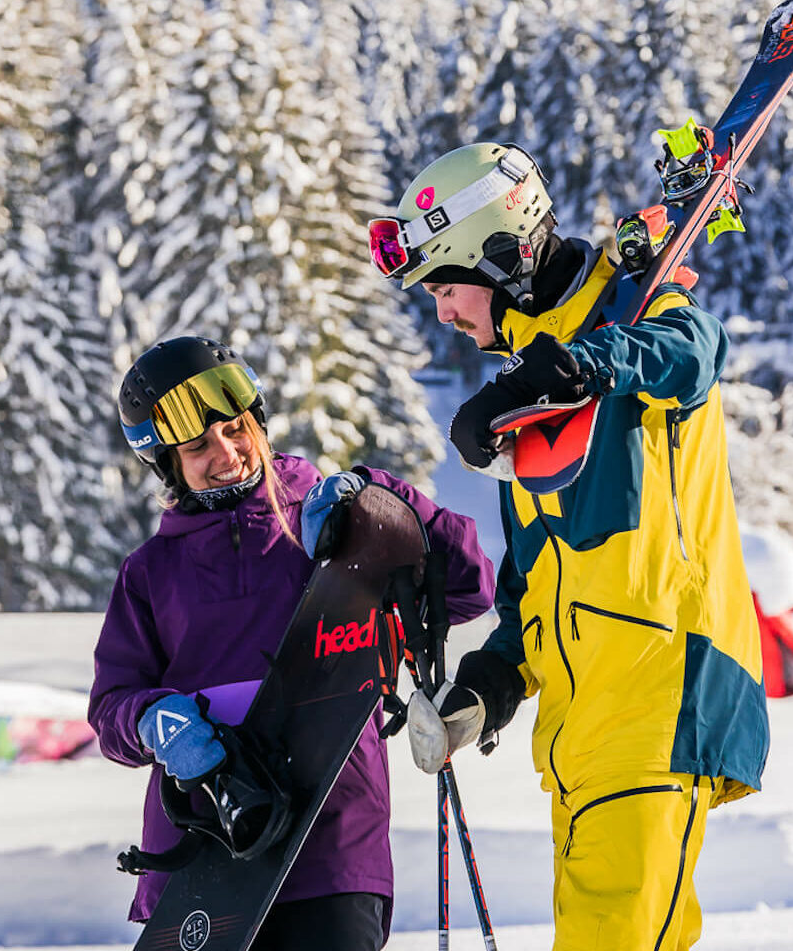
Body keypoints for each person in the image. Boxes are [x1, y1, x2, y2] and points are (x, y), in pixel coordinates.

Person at [372, 142, 769, 951]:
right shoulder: (536, 388)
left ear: (497, 257)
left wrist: (571, 369)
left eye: (445, 288)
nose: (443, 313)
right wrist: (487, 685)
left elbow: (697, 353)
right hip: (579, 737)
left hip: (662, 700)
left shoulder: (635, 318)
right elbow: (540, 582)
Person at [88, 335, 495, 951]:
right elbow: (111, 705)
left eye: (235, 429)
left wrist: (381, 500)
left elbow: (468, 586)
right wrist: (150, 721)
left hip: (331, 843)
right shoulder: (150, 572)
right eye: (197, 447)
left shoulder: (334, 526)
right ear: (168, 464)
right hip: (205, 850)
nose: (225, 453)